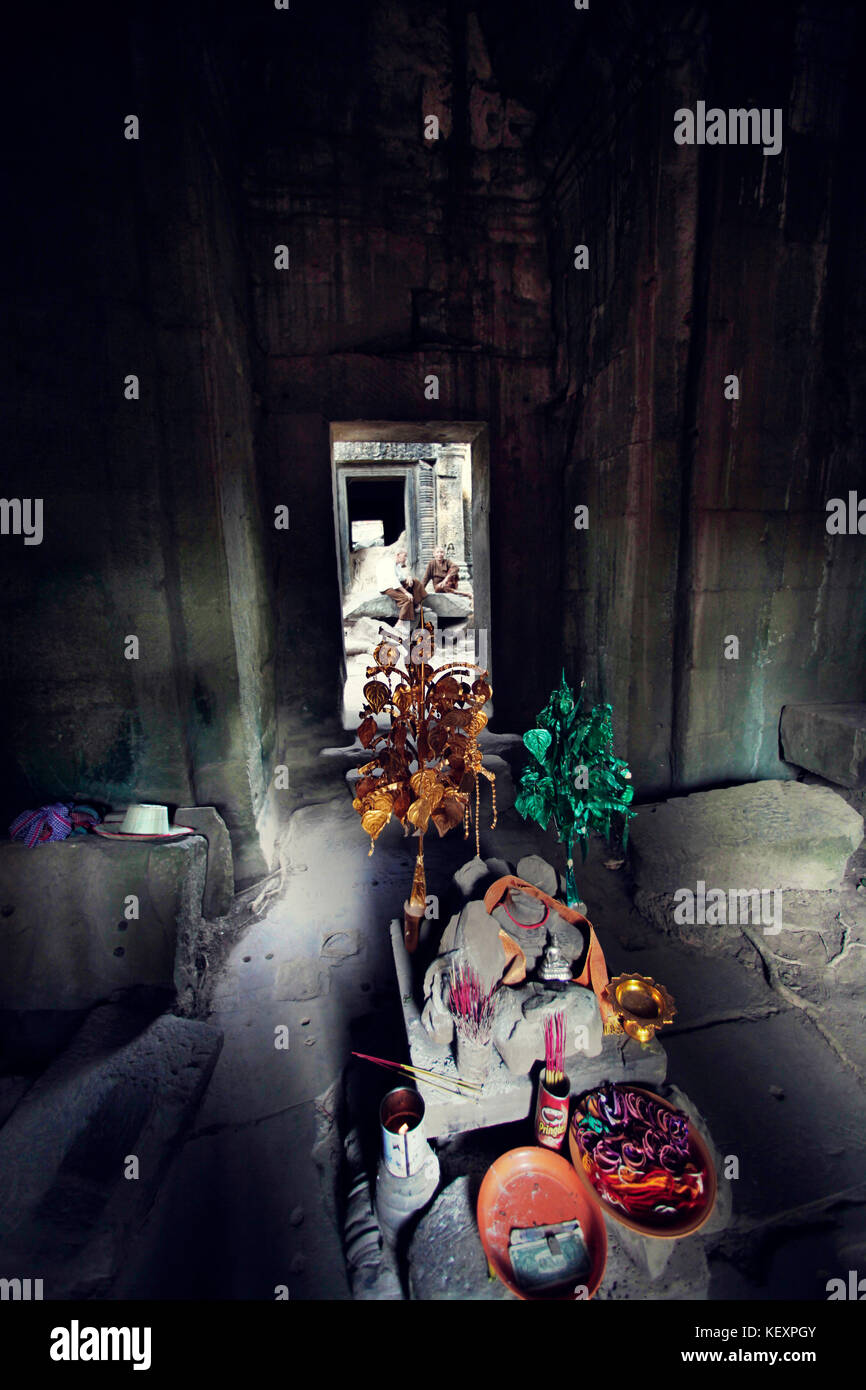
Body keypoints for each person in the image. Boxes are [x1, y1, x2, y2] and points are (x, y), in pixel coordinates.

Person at [381, 549, 427, 622]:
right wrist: (406, 592)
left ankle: (417, 606)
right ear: (398, 555)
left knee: (415, 582)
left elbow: (401, 577)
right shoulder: (389, 563)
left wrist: (408, 577)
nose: (406, 558)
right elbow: (394, 581)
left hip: (395, 586)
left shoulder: (397, 565)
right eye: (405, 556)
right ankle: (400, 623)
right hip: (388, 588)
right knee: (407, 598)